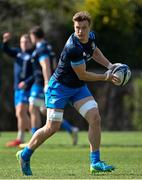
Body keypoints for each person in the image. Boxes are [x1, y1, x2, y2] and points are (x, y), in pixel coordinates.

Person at [16, 11, 120, 175]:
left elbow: (94, 50)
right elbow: (83, 74)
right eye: (77, 28)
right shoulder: (73, 47)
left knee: (95, 117)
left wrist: (110, 65)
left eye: (84, 28)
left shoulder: (90, 37)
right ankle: (25, 154)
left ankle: (95, 162)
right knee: (52, 127)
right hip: (59, 88)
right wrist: (105, 77)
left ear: (89, 27)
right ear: (74, 27)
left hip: (77, 88)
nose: (80, 31)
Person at [2, 33, 33, 147]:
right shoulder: (18, 53)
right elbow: (6, 50)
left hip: (27, 88)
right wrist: (5, 41)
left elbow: (36, 73)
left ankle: (30, 136)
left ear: (30, 42)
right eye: (22, 42)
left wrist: (26, 82)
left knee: (21, 111)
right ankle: (24, 137)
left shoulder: (33, 54)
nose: (24, 44)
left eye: (26, 42)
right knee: (19, 114)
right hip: (17, 88)